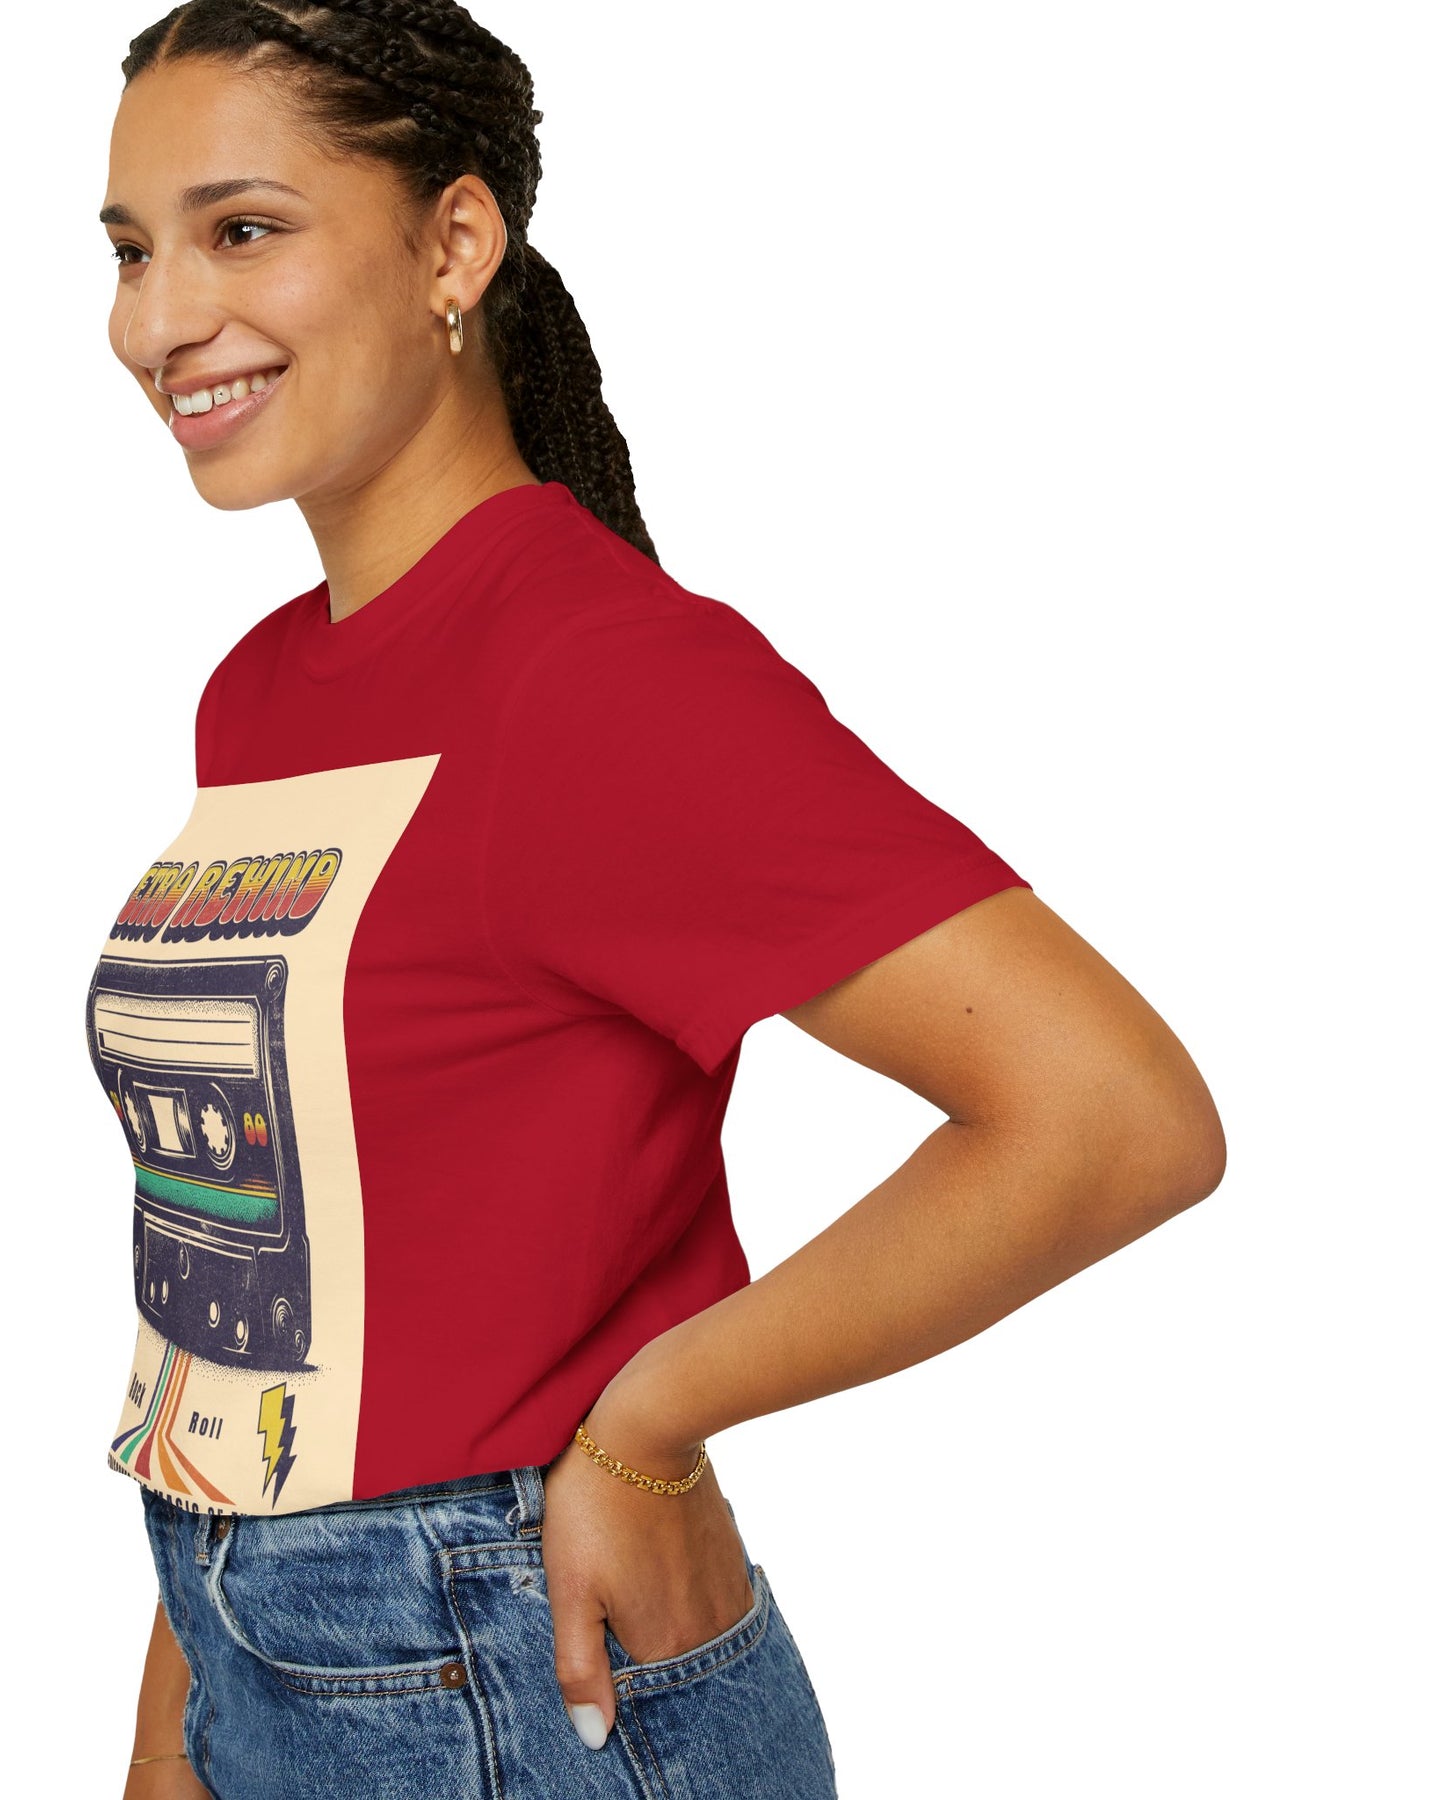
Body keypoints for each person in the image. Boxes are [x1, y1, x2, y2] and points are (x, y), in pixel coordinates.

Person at [91, 6, 1226, 1797]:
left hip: (507, 1670)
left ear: (456, 244)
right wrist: (178, 1720)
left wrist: (650, 1422)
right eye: (130, 250)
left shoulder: (595, 675)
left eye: (243, 230)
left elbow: (1114, 1117)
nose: (160, 320)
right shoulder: (262, 693)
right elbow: (263, 1259)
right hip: (251, 1633)